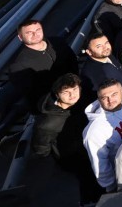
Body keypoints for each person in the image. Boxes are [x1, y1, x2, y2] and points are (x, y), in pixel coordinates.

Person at [33, 73, 100, 203]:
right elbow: (41, 148)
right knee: (86, 184)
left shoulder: (81, 103)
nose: (72, 95)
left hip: (88, 149)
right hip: (73, 157)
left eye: (75, 89)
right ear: (57, 94)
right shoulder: (47, 122)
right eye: (66, 92)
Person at [83, 79, 122, 195]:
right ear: (99, 100)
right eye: (104, 97)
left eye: (114, 94)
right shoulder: (94, 131)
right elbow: (99, 162)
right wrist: (110, 186)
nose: (110, 100)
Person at [6, 19, 77, 113]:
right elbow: (32, 94)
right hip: (52, 109)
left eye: (37, 30)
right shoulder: (18, 65)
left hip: (76, 94)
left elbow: (74, 63)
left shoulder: (58, 43)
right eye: (29, 33)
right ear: (20, 37)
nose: (35, 34)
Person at [79, 32, 122, 104]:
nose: (105, 47)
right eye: (99, 46)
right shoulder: (92, 73)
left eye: (106, 43)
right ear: (89, 52)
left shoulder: (108, 55)